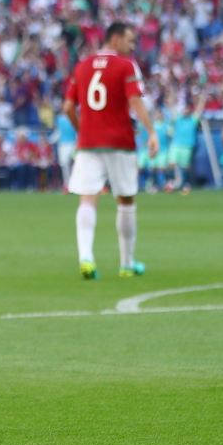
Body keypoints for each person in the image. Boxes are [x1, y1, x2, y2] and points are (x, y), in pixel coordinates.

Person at [63, 22, 159, 280]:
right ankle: (127, 264)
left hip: (89, 142)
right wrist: (151, 132)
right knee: (126, 200)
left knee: (88, 198)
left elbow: (68, 107)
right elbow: (135, 100)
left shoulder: (82, 66)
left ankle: (86, 257)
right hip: (120, 141)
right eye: (130, 41)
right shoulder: (125, 66)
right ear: (115, 39)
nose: (133, 46)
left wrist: (81, 129)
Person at [169, 98, 205, 194]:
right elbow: (172, 107)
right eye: (185, 109)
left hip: (187, 146)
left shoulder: (192, 120)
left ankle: (185, 184)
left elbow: (199, 111)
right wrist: (171, 96)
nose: (186, 111)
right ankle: (175, 181)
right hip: (176, 144)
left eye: (188, 109)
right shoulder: (178, 119)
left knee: (185, 167)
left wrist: (201, 100)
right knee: (172, 163)